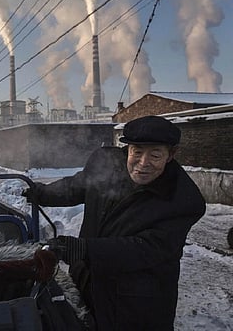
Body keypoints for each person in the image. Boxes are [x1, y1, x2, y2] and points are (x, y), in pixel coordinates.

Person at [25, 115, 206, 330]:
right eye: (137, 152)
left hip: (135, 301)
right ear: (127, 149)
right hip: (87, 282)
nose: (143, 163)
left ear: (171, 155)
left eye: (155, 155)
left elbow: (146, 249)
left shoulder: (182, 200)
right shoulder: (107, 164)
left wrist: (83, 249)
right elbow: (77, 186)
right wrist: (40, 193)